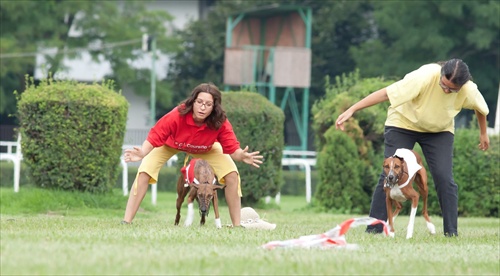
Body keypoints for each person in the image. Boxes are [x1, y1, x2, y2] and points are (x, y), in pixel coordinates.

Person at [335, 59, 489, 237]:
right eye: (443, 85)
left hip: (439, 130)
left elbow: (481, 109)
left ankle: (451, 233)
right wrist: (352, 109)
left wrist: (483, 133)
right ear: (440, 75)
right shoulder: (423, 77)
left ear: (461, 86)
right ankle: (374, 229)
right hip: (403, 123)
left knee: (444, 177)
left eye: (451, 90)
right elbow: (386, 94)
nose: (446, 91)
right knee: (390, 173)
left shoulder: (469, 90)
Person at [122, 83, 263, 227]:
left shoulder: (220, 121)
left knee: (232, 174)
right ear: (193, 101)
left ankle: (237, 225)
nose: (202, 107)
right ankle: (126, 221)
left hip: (206, 147)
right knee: (144, 171)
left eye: (208, 104)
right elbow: (156, 133)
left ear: (214, 107)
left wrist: (241, 155)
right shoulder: (178, 114)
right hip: (171, 144)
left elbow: (232, 148)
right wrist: (143, 152)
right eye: (199, 102)